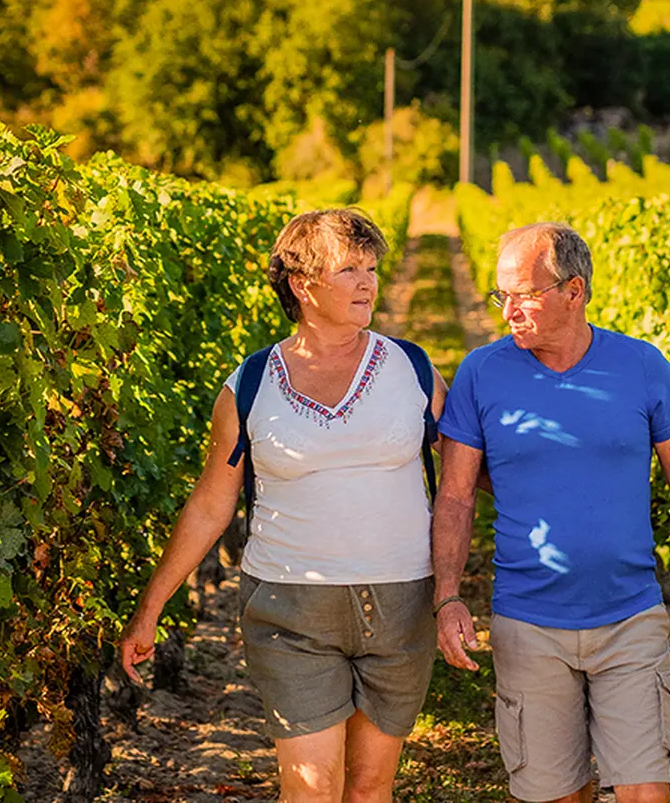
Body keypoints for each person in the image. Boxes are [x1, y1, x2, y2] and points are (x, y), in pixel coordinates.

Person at [121, 208, 446, 803]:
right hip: (291, 608)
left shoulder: (413, 368)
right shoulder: (249, 385)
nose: (368, 282)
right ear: (302, 284)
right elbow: (210, 505)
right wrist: (152, 607)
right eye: (349, 269)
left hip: (401, 603)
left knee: (370, 787)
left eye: (372, 268)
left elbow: (465, 472)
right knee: (311, 789)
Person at [431, 222, 670, 803]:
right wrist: (448, 596)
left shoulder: (641, 366)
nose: (508, 313)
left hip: (631, 621)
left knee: (648, 793)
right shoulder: (482, 372)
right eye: (500, 297)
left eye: (522, 296)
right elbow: (454, 493)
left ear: (573, 291)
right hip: (527, 626)